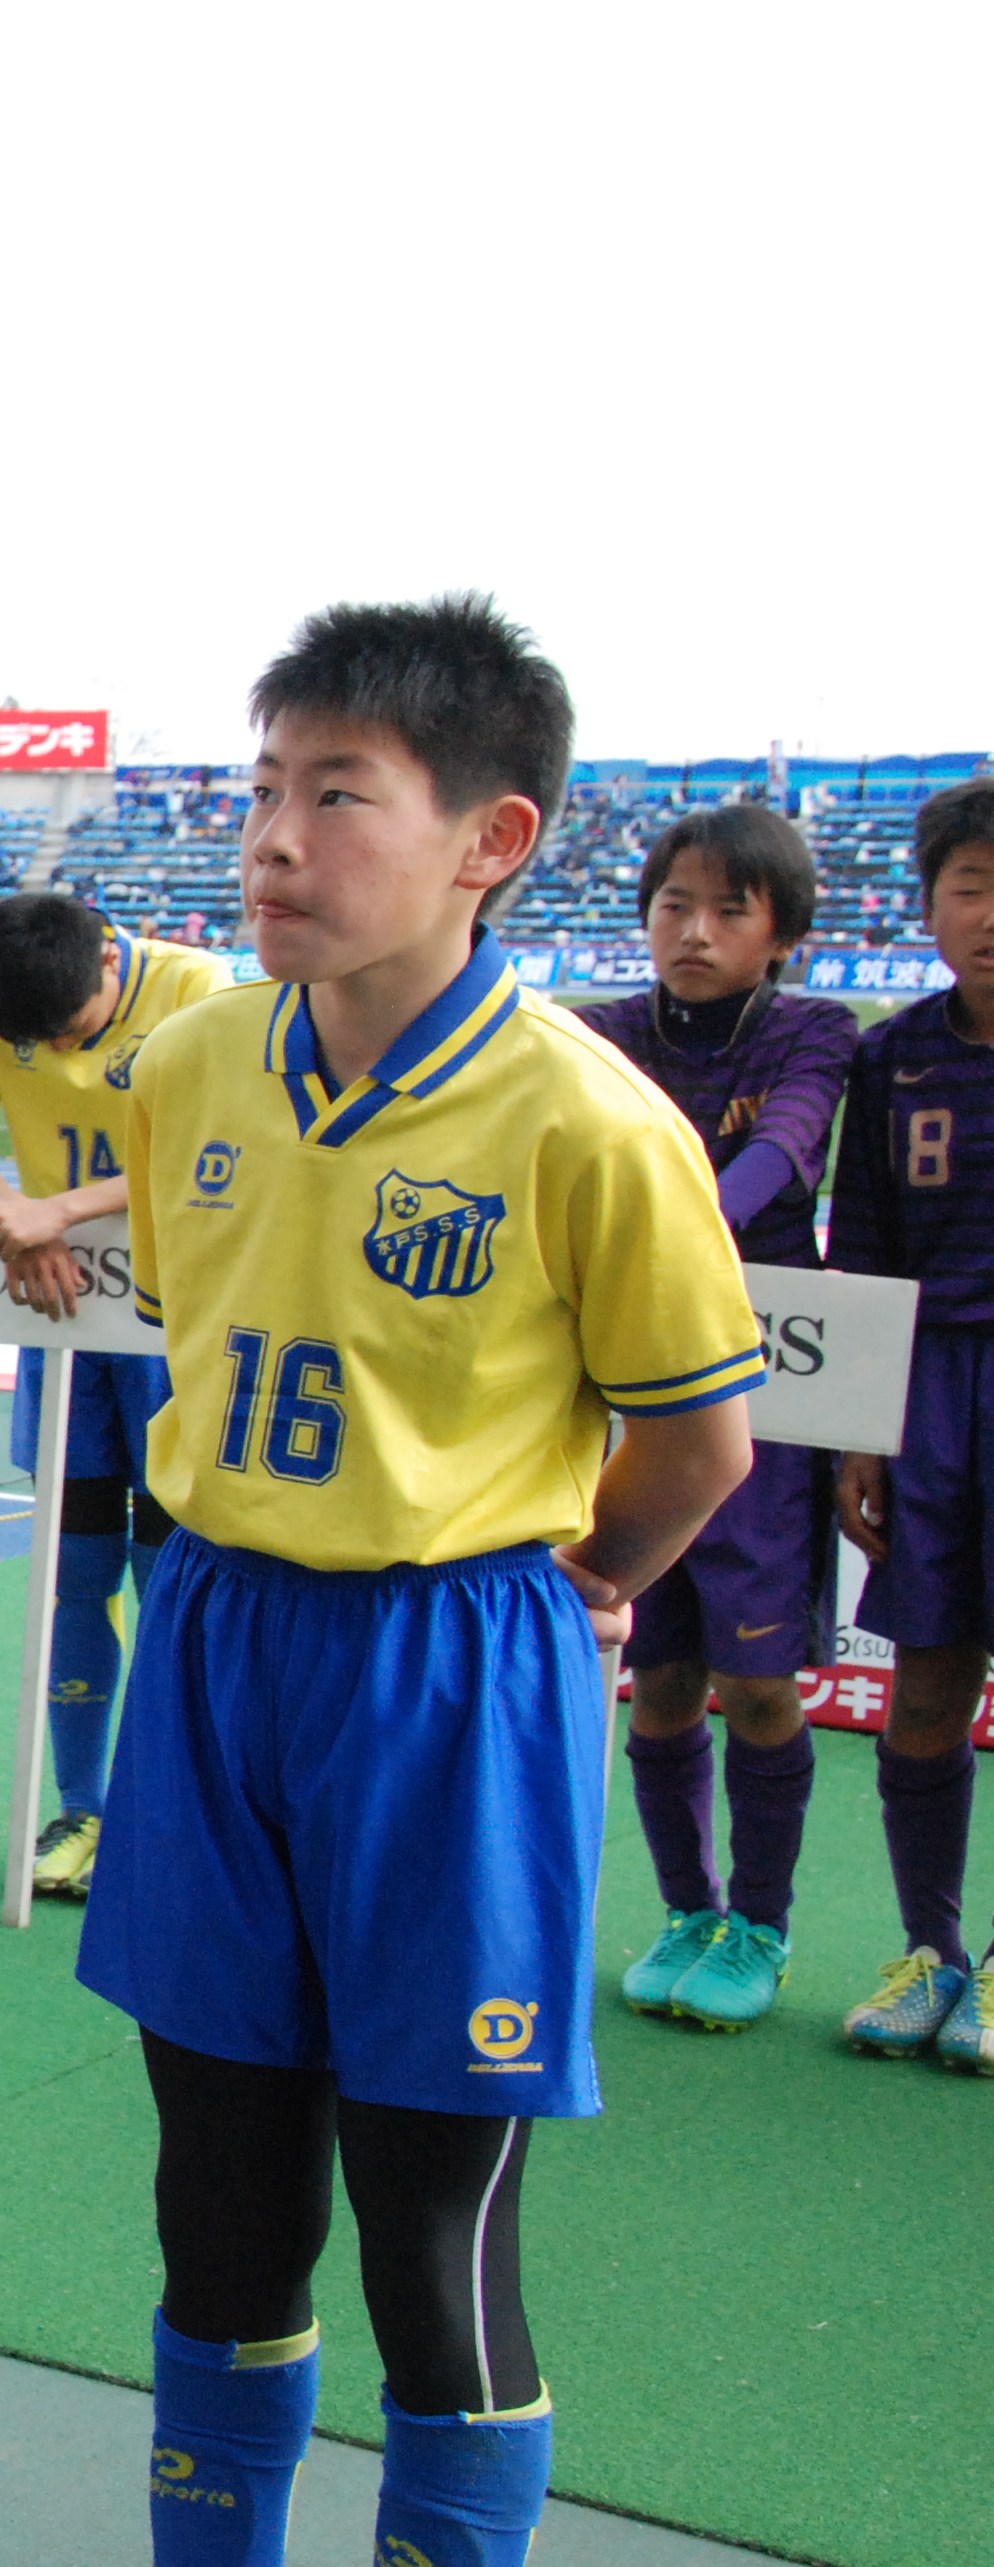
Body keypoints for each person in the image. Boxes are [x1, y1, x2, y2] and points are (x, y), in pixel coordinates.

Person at [84, 596, 759, 2567]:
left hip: (449, 1670)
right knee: (215, 2206)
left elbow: (699, 1445)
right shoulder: (191, 1070)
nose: (273, 838)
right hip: (216, 1652)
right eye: (262, 788)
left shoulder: (585, 1122)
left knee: (426, 2235)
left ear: (492, 840)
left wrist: (586, 1578)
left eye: (337, 794)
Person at [581, 806, 857, 2032]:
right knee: (658, 1679)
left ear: (780, 934)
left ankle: (762, 1923)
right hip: (627, 1399)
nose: (690, 933)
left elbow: (783, 1157)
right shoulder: (598, 1034)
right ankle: (690, 1911)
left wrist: (661, 1226)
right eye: (670, 906)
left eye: (726, 911)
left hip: (759, 1402)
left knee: (756, 1684)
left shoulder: (811, 1031)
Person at [0, 891, 230, 1900]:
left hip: (171, 1323)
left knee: (170, 1578)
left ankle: (170, 1812)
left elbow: (209, 1158)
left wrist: (55, 1206)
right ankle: (81, 1806)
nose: (56, 1054)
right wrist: (15, 1211)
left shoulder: (195, 990)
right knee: (74, 1569)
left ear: (110, 956)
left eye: (74, 1030)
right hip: (66, 1326)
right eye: (35, 1043)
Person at [826, 777, 994, 2070]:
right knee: (925, 1682)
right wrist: (859, 1433)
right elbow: (867, 1251)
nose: (991, 915)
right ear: (929, 905)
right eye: (972, 886)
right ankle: (929, 1954)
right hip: (929, 1388)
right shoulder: (895, 1058)